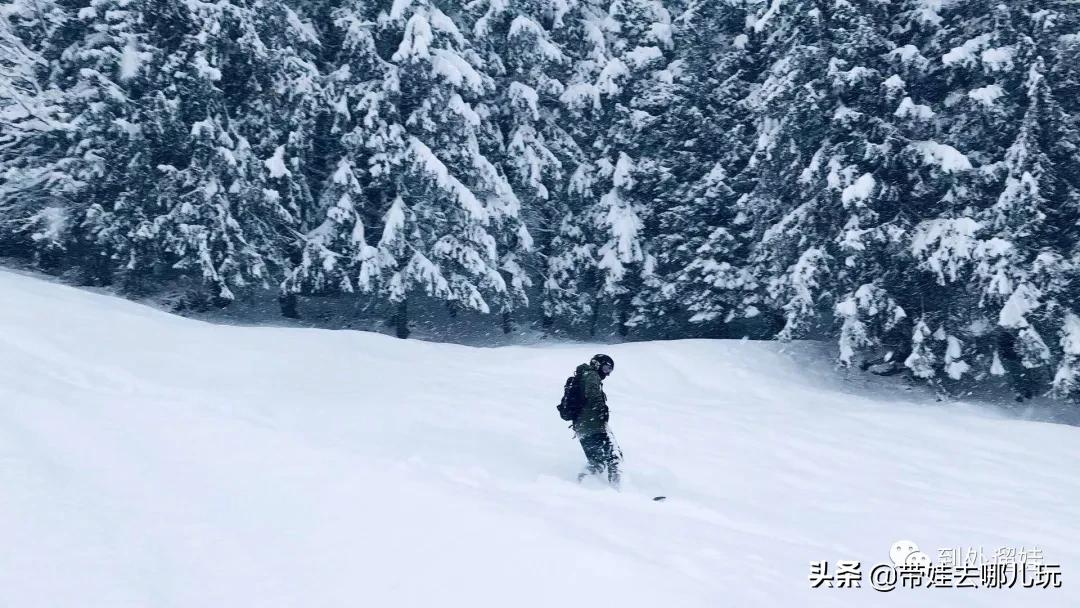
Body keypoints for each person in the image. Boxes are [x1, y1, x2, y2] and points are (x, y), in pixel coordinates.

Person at [572, 354, 621, 487]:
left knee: (597, 461)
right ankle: (619, 489)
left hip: (582, 428)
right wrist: (602, 409)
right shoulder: (592, 375)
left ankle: (582, 484)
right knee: (614, 458)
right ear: (597, 364)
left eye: (610, 370)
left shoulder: (583, 375)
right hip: (593, 425)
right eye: (606, 368)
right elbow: (593, 395)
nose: (607, 373)